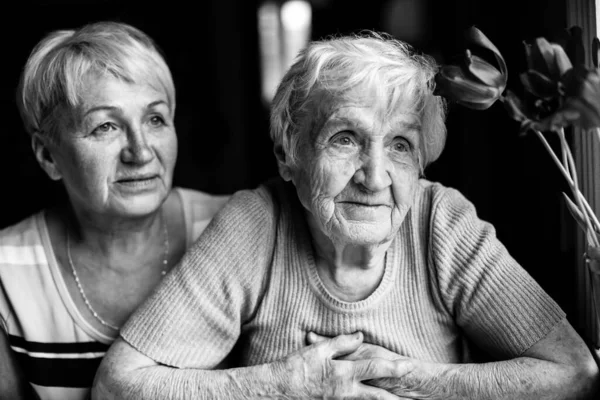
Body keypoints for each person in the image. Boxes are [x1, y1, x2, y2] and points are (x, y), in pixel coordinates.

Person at [93, 32, 599, 399]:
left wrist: (411, 377)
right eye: (345, 138)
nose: (375, 176)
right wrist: (282, 387)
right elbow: (119, 386)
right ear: (289, 154)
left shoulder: (441, 223)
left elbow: (573, 373)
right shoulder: (256, 223)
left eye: (400, 145)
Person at [0, 21, 230, 400]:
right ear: (48, 156)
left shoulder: (236, 226)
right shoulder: (7, 274)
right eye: (106, 126)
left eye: (155, 119)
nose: (140, 152)